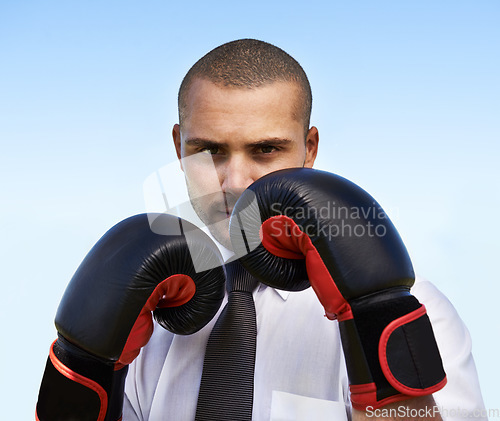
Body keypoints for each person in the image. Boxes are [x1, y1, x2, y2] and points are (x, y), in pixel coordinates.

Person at [123, 39, 486, 420]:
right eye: (210, 150)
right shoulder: (141, 311)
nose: (234, 181)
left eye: (265, 149)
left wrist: (377, 319)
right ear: (180, 147)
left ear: (308, 149)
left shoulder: (414, 311)